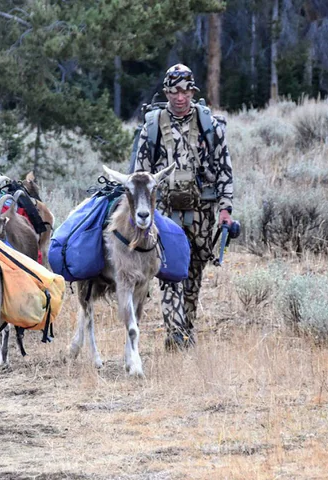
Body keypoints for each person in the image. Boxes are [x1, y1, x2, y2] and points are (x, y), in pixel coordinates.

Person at [130, 64, 235, 350]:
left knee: (194, 273)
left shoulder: (209, 126)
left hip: (203, 213)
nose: (180, 97)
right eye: (175, 91)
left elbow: (225, 173)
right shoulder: (152, 127)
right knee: (169, 272)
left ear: (192, 92)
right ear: (167, 92)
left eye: (186, 91)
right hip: (165, 214)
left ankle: (187, 329)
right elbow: (140, 176)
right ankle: (175, 336)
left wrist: (225, 211)